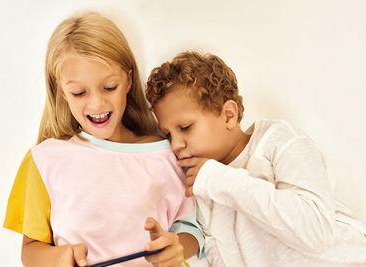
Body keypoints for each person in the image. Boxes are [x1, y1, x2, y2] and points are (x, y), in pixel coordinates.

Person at [3, 12, 205, 267]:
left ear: (128, 80)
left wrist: (178, 247)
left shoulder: (170, 152)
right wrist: (59, 258)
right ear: (62, 90)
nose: (97, 103)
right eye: (79, 92)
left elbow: (195, 229)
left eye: (109, 87)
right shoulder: (44, 160)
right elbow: (30, 251)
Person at [145, 51, 366, 266]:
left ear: (229, 115)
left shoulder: (277, 139)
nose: (175, 144)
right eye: (168, 134)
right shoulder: (201, 187)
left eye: (185, 127)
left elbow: (316, 232)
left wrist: (217, 179)